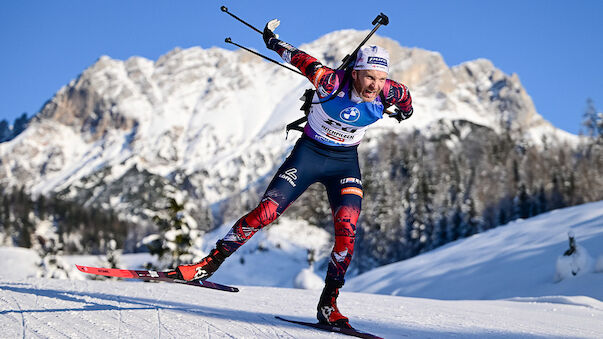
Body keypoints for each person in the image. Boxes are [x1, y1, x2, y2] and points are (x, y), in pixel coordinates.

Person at [176, 19, 413, 328]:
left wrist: (403, 113)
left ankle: (328, 305)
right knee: (266, 212)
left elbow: (407, 103)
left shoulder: (389, 92)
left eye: (381, 79)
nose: (375, 86)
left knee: (347, 235)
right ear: (355, 73)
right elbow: (299, 57)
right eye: (369, 77)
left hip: (344, 163)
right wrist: (271, 41)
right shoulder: (329, 82)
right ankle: (207, 265)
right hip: (309, 154)